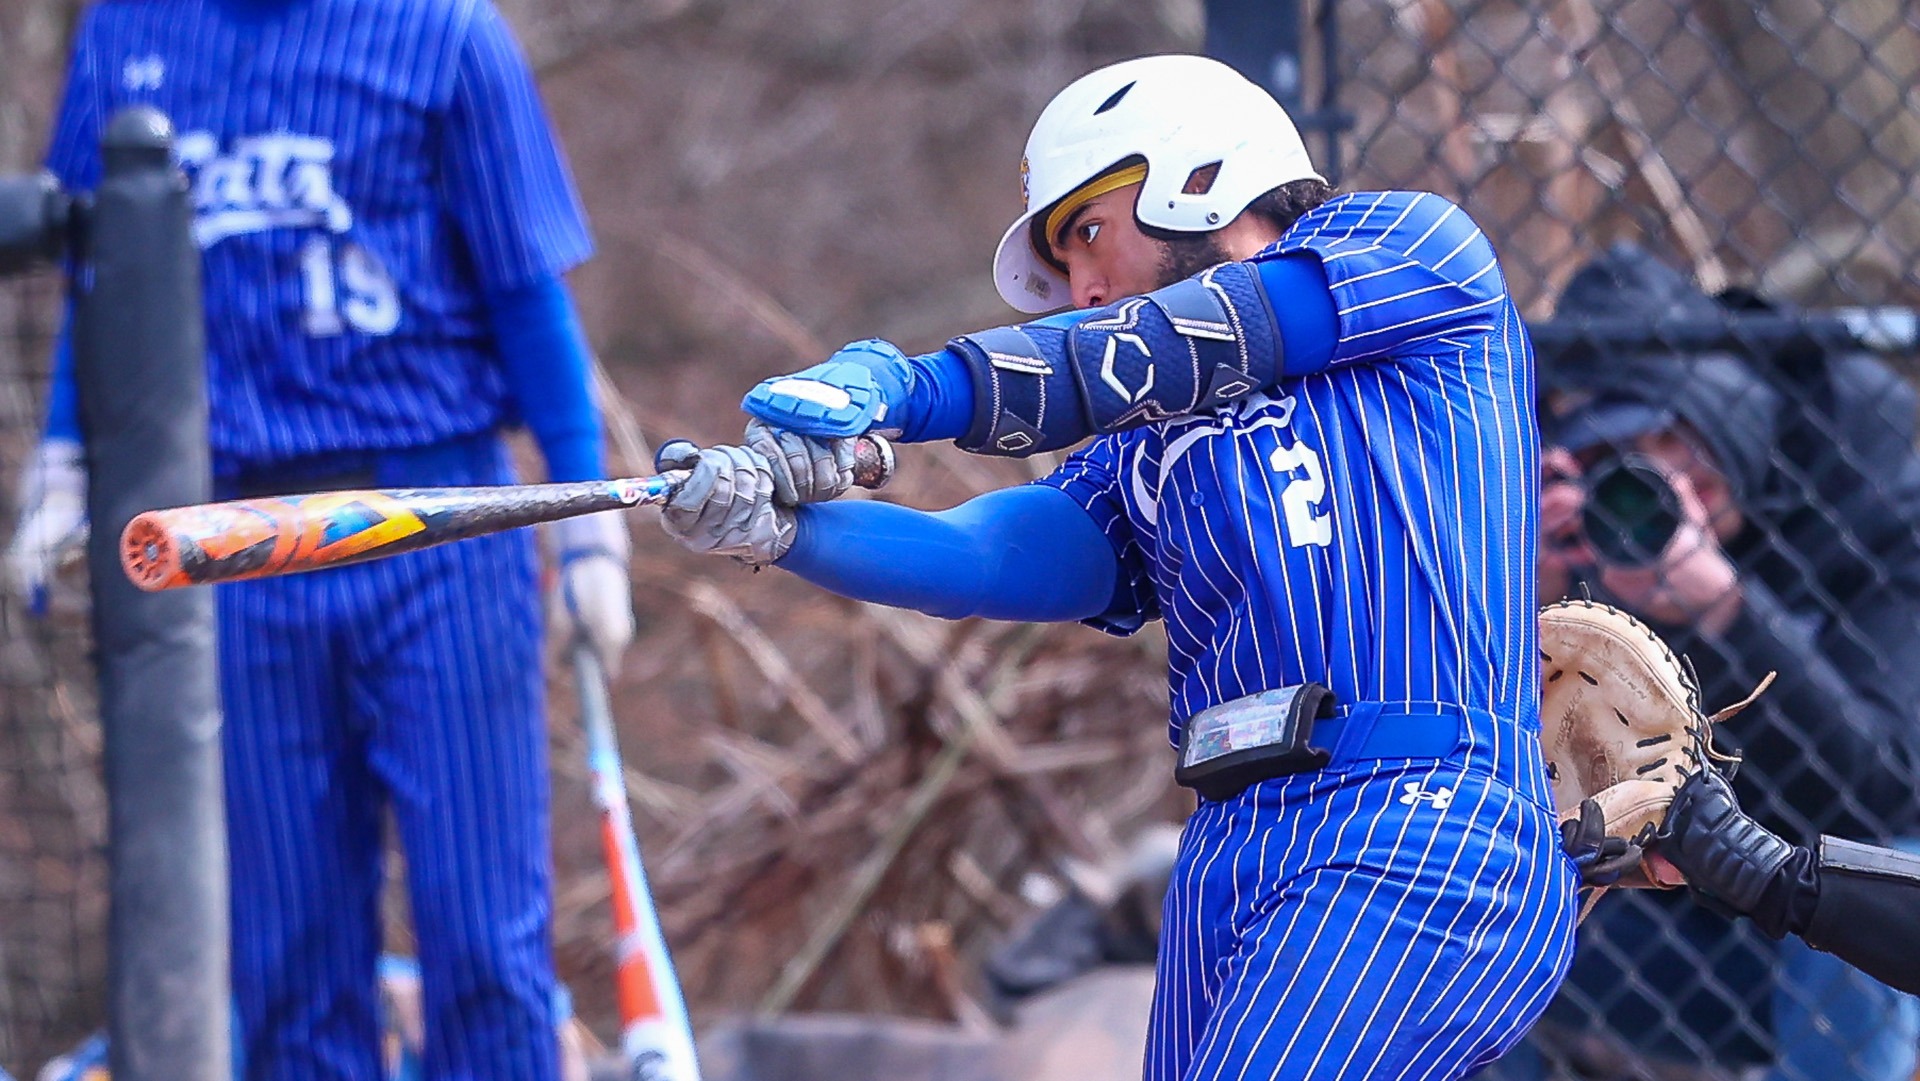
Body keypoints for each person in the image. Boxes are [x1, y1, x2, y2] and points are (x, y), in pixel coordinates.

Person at [662, 53, 1580, 1080]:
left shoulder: (1410, 254)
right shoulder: (1149, 446)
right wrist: (785, 532)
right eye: (1064, 271)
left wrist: (907, 385)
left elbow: (1153, 342)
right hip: (1232, 848)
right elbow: (988, 554)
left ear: (1202, 175)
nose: (1081, 288)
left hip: (1417, 816)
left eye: (1091, 233)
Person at [6, 0, 635, 1076]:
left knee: (483, 943)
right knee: (288, 958)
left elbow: (529, 296)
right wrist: (65, 467)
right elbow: (95, 274)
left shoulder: (447, 35)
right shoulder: (127, 30)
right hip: (234, 537)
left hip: (435, 524)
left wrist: (588, 540)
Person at [1526, 245, 1920, 1081]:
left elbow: (1888, 785)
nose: (1653, 493)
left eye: (1664, 449)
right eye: (1604, 467)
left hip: (1845, 934)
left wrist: (1717, 602)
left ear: (1722, 414)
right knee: (1456, 887)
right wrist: (1528, 604)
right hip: (1663, 915)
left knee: (1871, 858)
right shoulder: (1564, 536)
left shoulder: (1864, 474)